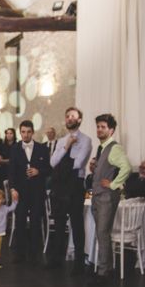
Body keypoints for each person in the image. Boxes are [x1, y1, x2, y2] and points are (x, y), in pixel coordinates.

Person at [87, 114, 131, 287]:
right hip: (98, 195)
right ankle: (107, 269)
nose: (99, 129)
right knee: (101, 233)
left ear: (111, 130)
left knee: (103, 234)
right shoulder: (102, 148)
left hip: (106, 196)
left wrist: (113, 185)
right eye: (98, 126)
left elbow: (126, 168)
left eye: (103, 127)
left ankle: (103, 273)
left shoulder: (114, 147)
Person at [48, 107, 92, 273]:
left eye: (73, 116)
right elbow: (53, 163)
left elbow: (78, 164)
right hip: (60, 185)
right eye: (67, 116)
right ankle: (56, 259)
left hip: (75, 185)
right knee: (59, 223)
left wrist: (62, 161)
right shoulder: (62, 141)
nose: (69, 119)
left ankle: (79, 263)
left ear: (79, 120)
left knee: (76, 223)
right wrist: (66, 147)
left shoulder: (86, 140)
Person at [9, 120, 51, 264]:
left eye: (28, 132)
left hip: (37, 192)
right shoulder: (14, 149)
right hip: (20, 193)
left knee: (35, 223)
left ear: (33, 132)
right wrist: (13, 189)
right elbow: (12, 171)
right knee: (20, 222)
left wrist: (38, 171)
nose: (25, 135)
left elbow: (49, 169)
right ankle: (20, 254)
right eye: (23, 132)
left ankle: (34, 254)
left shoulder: (42, 148)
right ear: (20, 132)